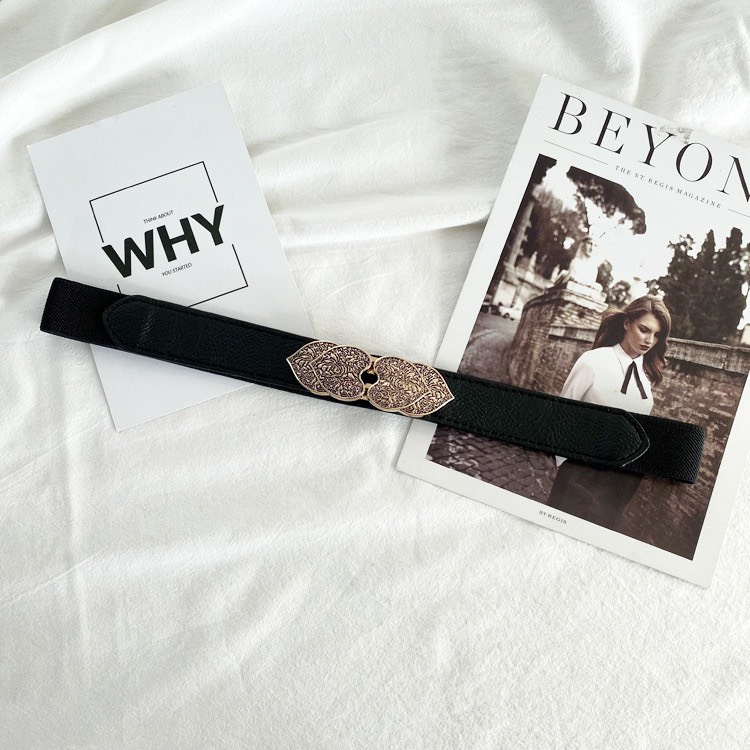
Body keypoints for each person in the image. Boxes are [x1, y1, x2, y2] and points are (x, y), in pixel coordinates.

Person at [546, 295, 671, 529]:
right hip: (581, 472)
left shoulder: (646, 378)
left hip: (620, 482)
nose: (649, 340)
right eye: (644, 330)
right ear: (627, 323)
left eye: (656, 335)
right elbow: (563, 413)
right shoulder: (592, 361)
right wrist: (565, 467)